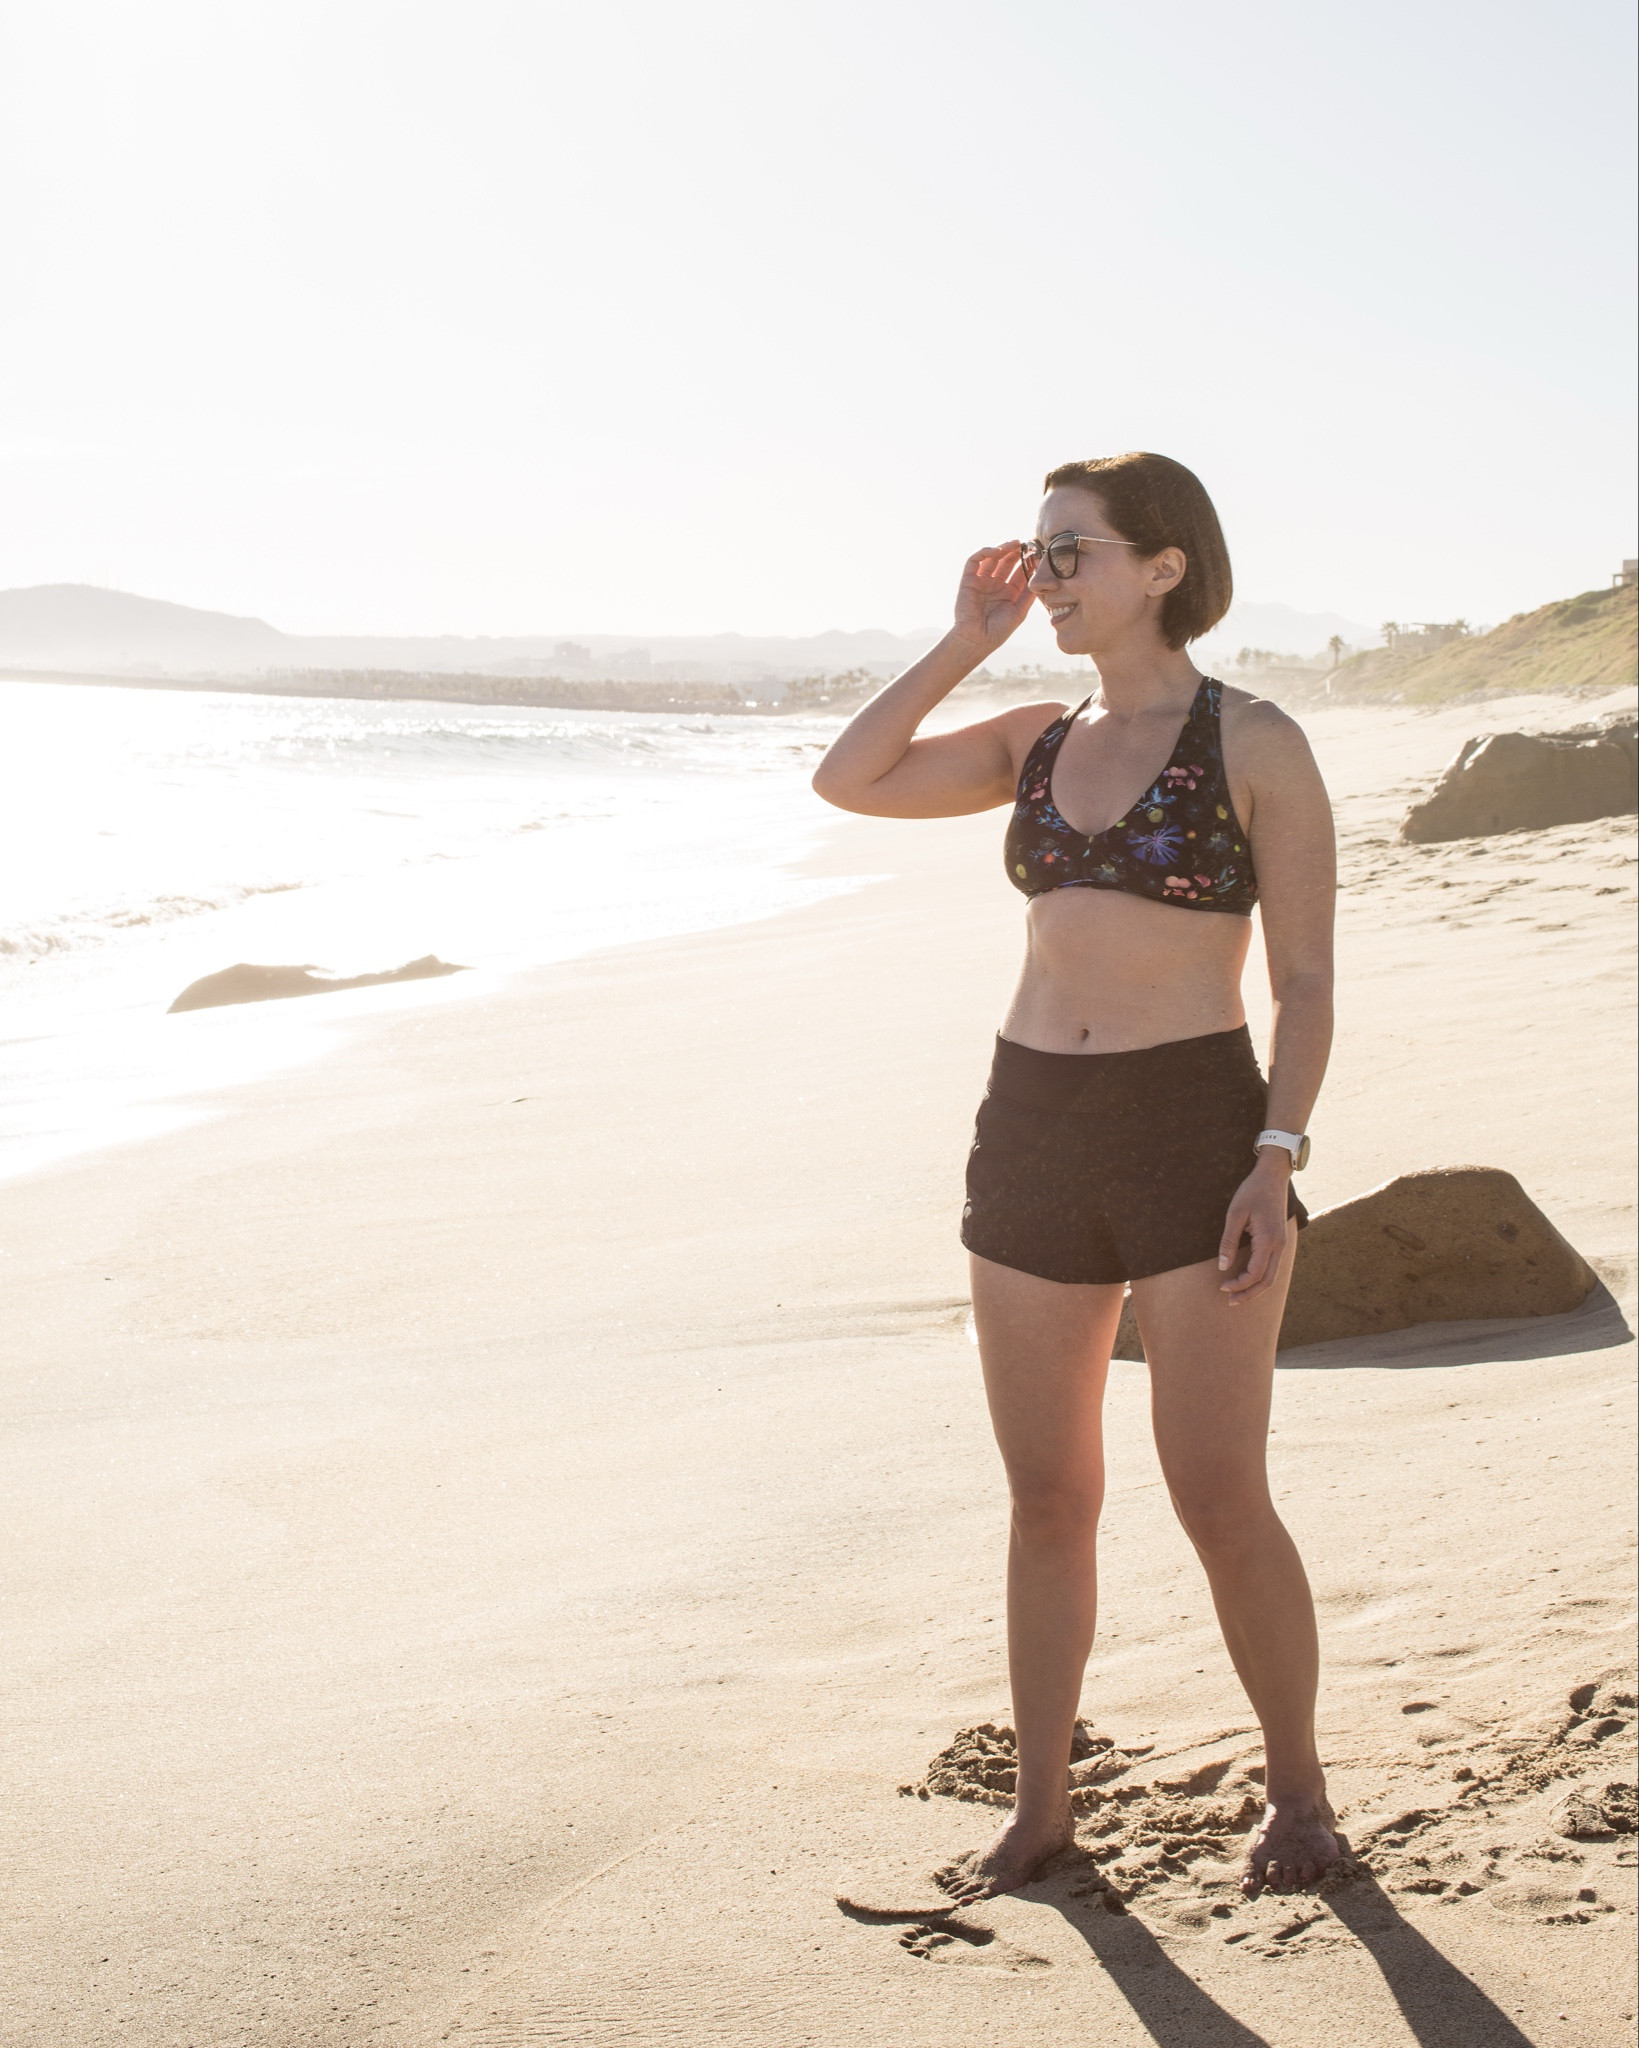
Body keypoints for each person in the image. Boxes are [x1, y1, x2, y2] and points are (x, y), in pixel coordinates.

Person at [811, 452, 1340, 1902]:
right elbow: (849, 778)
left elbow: (1304, 982)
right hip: (1031, 1126)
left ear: (1163, 568)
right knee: (1048, 1498)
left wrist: (1275, 1156)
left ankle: (1299, 1793)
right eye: (1035, 552)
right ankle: (1040, 1812)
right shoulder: (1032, 740)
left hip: (1195, 1130)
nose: (1042, 578)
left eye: (1070, 553)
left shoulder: (1256, 742)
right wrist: (962, 641)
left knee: (1219, 1495)